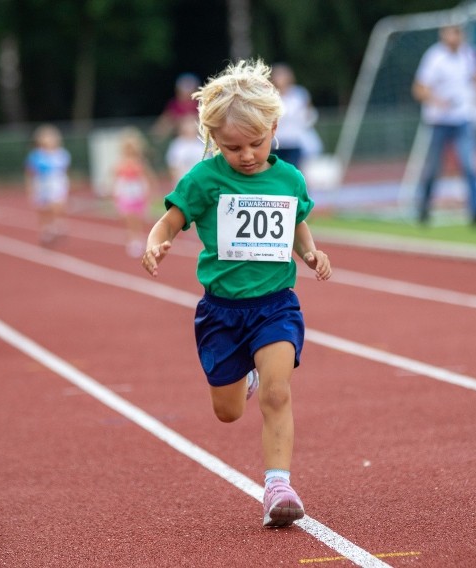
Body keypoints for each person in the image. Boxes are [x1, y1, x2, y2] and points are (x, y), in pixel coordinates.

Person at [141, 59, 332, 528]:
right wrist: (156, 241)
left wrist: (309, 252)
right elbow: (169, 220)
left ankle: (278, 485)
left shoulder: (288, 177)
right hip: (222, 311)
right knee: (227, 412)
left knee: (277, 393)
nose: (246, 155)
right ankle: (240, 379)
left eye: (255, 143)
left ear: (274, 128)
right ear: (213, 140)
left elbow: (297, 221)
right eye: (232, 147)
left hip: (275, 304)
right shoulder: (203, 179)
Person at [412, 24, 476, 226]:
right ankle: (424, 207)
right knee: (434, 168)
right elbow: (419, 89)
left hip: (463, 118)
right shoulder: (434, 57)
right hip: (439, 121)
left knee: (470, 165)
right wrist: (437, 100)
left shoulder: (471, 54)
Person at [111, 127, 156, 257]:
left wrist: (151, 190)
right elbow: (116, 176)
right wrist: (115, 192)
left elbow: (148, 176)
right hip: (126, 191)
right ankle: (132, 238)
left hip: (137, 191)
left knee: (137, 216)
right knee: (128, 216)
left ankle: (137, 238)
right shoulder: (121, 162)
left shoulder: (140, 162)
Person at [26, 124, 71, 245]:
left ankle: (56, 224)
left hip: (56, 181)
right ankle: (45, 229)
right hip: (41, 182)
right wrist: (30, 187)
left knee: (57, 204)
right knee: (43, 208)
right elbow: (30, 172)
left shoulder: (62, 154)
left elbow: (65, 170)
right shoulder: (36, 155)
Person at [270, 63, 322, 169]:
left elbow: (309, 114)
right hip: (276, 141)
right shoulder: (269, 95)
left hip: (295, 141)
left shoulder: (299, 93)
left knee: (293, 170)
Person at [152, 72, 200, 141]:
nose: (186, 94)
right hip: (179, 141)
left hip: (199, 141)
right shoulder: (174, 105)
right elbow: (161, 128)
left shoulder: (201, 104)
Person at [164, 116, 206, 185]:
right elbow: (173, 165)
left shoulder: (201, 144)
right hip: (182, 180)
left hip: (199, 180)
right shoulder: (177, 144)